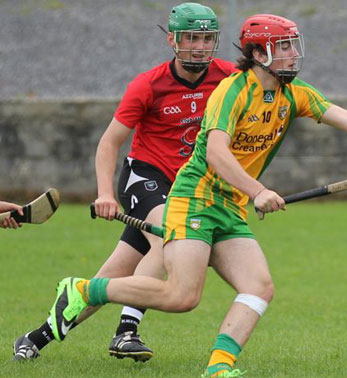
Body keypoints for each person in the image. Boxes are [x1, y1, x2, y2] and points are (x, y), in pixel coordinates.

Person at [35, 14, 347, 377]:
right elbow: (217, 153)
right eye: (282, 47)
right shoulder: (232, 91)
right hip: (195, 199)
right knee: (183, 296)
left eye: (291, 45)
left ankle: (219, 364)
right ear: (258, 54)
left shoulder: (294, 94)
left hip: (229, 207)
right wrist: (258, 190)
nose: (292, 53)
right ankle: (84, 289)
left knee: (259, 286)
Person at [13, 2, 236, 362]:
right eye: (191, 38)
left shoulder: (228, 77)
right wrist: (105, 194)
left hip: (186, 188)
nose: (199, 46)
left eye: (207, 38)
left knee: (109, 279)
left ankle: (34, 339)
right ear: (173, 40)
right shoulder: (148, 84)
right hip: (145, 178)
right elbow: (109, 143)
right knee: (171, 238)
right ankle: (127, 331)